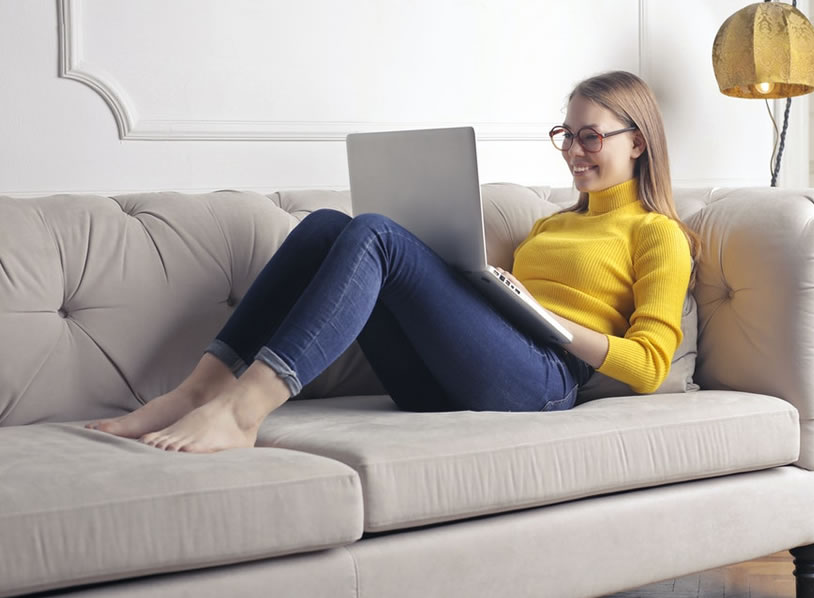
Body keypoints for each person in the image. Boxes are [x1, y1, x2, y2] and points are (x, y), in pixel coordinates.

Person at [86, 70, 698, 453]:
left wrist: (552, 322)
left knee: (376, 234)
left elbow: (648, 366)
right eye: (566, 134)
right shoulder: (552, 223)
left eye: (591, 136)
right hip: (449, 380)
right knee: (329, 226)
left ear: (638, 142)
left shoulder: (658, 233)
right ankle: (199, 390)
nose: (573, 150)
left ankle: (244, 410)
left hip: (543, 380)